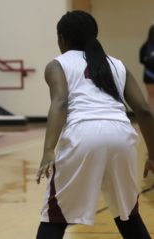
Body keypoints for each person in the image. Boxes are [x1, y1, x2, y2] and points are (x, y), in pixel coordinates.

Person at [36, 10, 154, 239]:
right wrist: (153, 155)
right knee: (128, 215)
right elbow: (144, 111)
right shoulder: (117, 65)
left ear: (62, 38)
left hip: (83, 134)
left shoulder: (57, 64)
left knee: (55, 217)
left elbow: (60, 102)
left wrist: (48, 150)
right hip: (122, 135)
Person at [140, 24, 154, 112]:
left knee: (151, 97)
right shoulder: (146, 46)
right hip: (149, 75)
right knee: (151, 97)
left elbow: (141, 60)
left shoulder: (145, 46)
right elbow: (141, 60)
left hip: (148, 74)